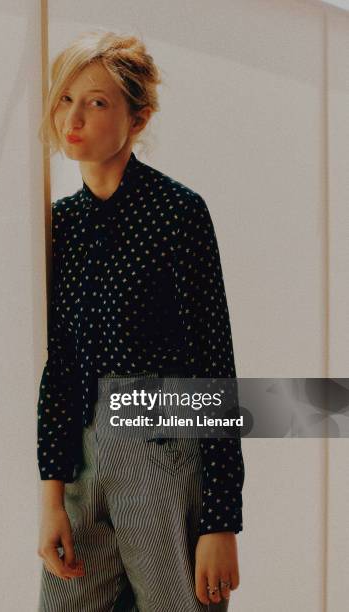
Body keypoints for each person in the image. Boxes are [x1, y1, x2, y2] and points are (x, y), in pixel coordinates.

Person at [36, 29, 245, 612]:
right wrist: (52, 496)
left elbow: (214, 364)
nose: (73, 116)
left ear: (139, 116)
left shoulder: (178, 213)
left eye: (97, 102)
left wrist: (221, 521)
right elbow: (60, 366)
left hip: (159, 446)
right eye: (65, 98)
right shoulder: (59, 226)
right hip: (81, 459)